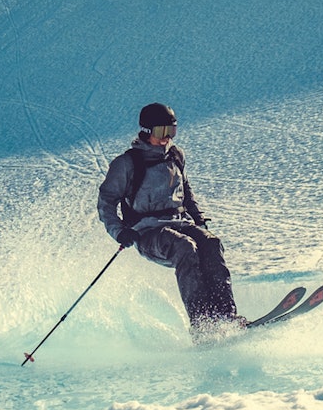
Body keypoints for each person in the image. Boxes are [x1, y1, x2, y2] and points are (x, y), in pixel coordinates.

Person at [97, 103, 245, 335]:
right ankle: (202, 325)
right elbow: (106, 202)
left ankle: (225, 317)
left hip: (179, 222)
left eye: (171, 131)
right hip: (146, 233)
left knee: (211, 243)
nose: (166, 137)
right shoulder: (127, 164)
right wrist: (119, 231)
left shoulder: (176, 156)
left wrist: (198, 218)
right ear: (146, 132)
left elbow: (185, 190)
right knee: (185, 248)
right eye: (161, 132)